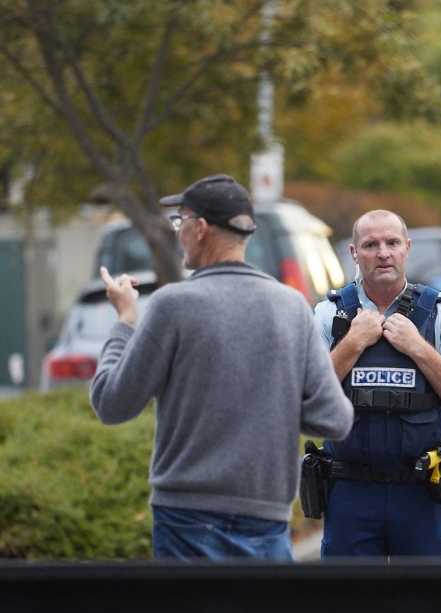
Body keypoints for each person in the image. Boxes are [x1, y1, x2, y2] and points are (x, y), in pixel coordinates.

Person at [90, 174, 353, 562]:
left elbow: (111, 403)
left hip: (185, 521)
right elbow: (335, 419)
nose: (178, 232)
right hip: (267, 521)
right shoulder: (291, 307)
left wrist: (126, 320)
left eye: (180, 221)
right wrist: (271, 400)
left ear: (200, 228)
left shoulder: (172, 305)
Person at [312, 209, 441, 558]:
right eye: (371, 245)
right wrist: (352, 343)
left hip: (419, 491)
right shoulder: (329, 314)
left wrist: (418, 347)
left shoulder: (440, 312)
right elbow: (306, 397)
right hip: (350, 491)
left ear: (407, 247)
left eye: (392, 243)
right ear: (354, 253)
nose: (383, 253)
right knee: (345, 593)